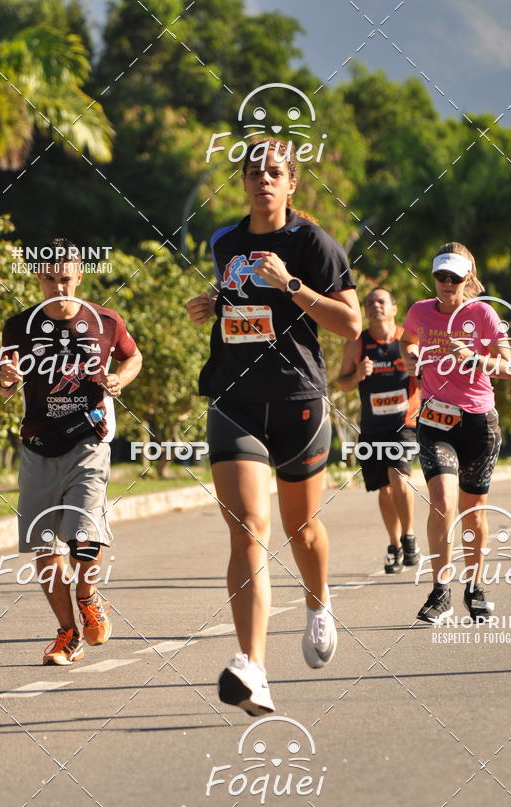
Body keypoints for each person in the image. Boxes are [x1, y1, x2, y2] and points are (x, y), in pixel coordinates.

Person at [187, 137, 361, 716]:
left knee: (301, 529)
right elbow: (240, 297)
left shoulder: (314, 243)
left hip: (299, 403)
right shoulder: (225, 241)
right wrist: (214, 304)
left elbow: (349, 323)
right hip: (235, 399)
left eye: (276, 171)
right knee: (248, 529)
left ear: (292, 184)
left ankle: (317, 603)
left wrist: (291, 284)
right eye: (254, 171)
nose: (264, 178)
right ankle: (253, 668)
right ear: (242, 182)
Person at [0, 238, 142, 664]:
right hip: (38, 445)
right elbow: (3, 384)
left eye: (65, 278)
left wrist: (121, 379)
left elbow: (133, 358)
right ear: (37, 278)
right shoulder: (19, 326)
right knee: (45, 546)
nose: (58, 288)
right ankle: (67, 634)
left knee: (83, 536)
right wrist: (5, 378)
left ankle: (88, 595)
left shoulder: (106, 321)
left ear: (79, 275)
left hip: (88, 441)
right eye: (49, 279)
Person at [400, 242, 511, 624]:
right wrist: (411, 355)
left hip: (479, 424)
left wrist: (478, 359)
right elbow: (407, 339)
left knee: (472, 512)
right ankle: (440, 590)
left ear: (468, 279)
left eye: (454, 277)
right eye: (440, 276)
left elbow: (509, 366)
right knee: (442, 501)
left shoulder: (482, 313)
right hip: (435, 422)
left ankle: (475, 587)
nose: (446, 283)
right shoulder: (419, 311)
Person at [338, 285, 420, 574]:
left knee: (399, 480)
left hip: (404, 425)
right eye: (370, 302)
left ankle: (409, 537)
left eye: (381, 301)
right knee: (384, 491)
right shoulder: (357, 344)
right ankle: (394, 545)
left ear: (394, 308)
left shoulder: (407, 341)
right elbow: (341, 383)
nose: (375, 305)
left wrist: (418, 374)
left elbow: (426, 381)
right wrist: (358, 374)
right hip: (372, 428)